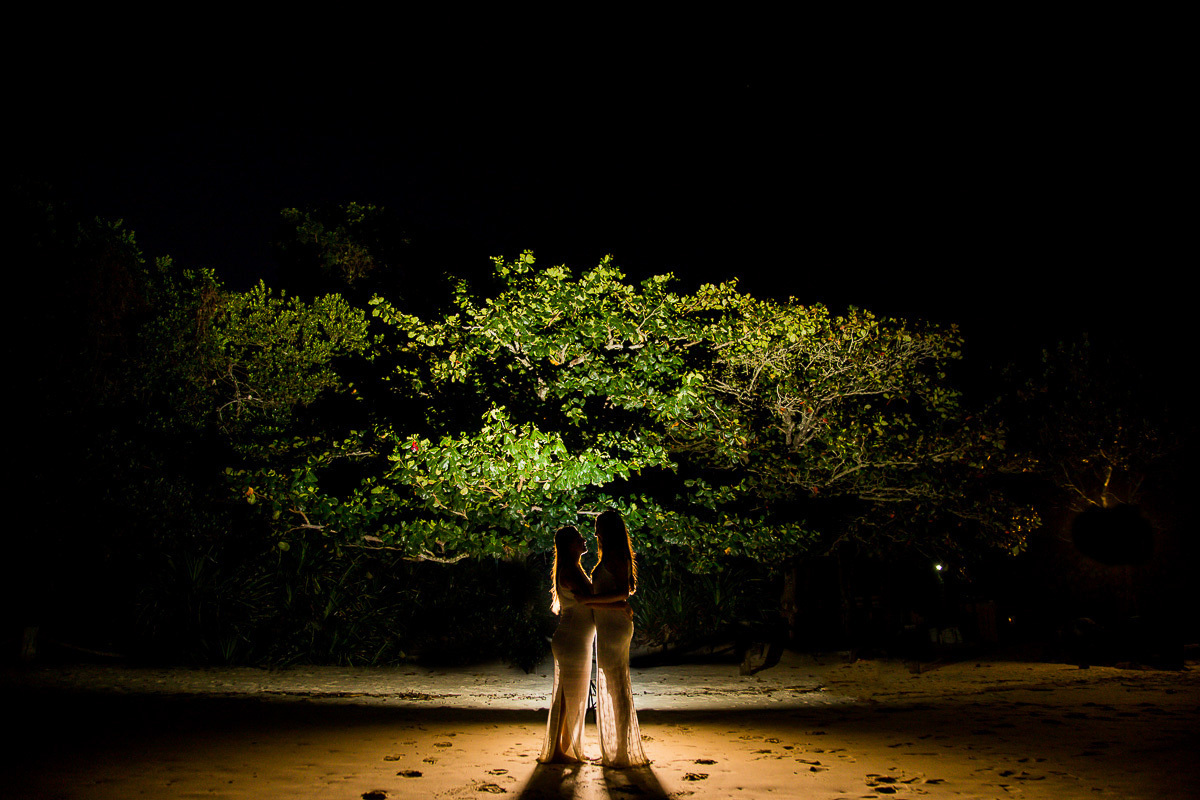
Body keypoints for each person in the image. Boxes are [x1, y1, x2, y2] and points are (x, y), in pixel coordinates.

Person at [583, 510, 649, 767]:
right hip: (608, 625)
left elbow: (622, 593)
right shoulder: (609, 556)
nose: (596, 533)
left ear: (608, 531)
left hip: (614, 628)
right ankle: (617, 747)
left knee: (616, 686)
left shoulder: (615, 556)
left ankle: (621, 749)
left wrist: (588, 600)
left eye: (599, 528)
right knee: (613, 684)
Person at [538, 527, 596, 763]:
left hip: (575, 639)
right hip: (572, 639)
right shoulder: (570, 572)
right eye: (579, 538)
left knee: (569, 693)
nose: (584, 540)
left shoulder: (573, 569)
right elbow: (591, 598)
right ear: (571, 545)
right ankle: (560, 750)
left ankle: (562, 747)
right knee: (567, 695)